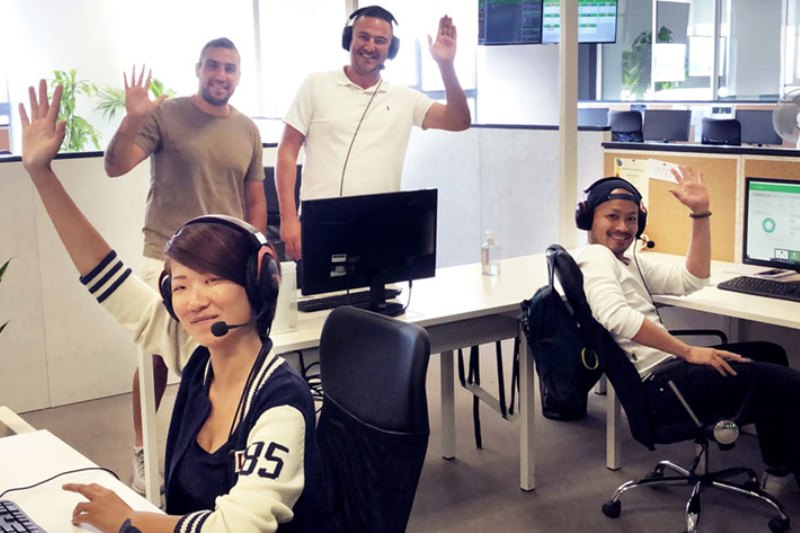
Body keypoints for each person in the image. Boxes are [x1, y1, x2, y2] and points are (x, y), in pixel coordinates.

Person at [19, 80, 329, 532]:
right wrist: (41, 175)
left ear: (257, 283)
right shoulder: (201, 358)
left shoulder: (279, 406)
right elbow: (106, 277)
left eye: (213, 280)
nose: (194, 300)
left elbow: (235, 528)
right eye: (180, 286)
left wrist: (132, 520)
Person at [104, 37, 267, 493]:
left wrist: (255, 253)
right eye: (213, 66)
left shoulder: (248, 129)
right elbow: (115, 166)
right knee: (156, 355)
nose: (221, 75)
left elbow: (255, 200)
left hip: (224, 263)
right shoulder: (166, 114)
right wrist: (132, 119)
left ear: (238, 76)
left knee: (223, 357)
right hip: (166, 257)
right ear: (199, 69)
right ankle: (143, 451)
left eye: (230, 68)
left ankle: (215, 452)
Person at [575, 167, 800, 493]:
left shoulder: (624, 261)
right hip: (664, 387)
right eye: (612, 216)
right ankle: (783, 473)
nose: (623, 227)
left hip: (667, 375)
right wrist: (689, 351)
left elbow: (692, 278)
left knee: (770, 354)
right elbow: (616, 317)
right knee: (791, 386)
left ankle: (778, 468)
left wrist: (700, 213)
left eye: (631, 219)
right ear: (587, 219)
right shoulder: (596, 257)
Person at [276, 5, 471, 259]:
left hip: (380, 226)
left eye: (380, 40)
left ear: (391, 48)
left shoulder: (404, 98)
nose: (370, 46)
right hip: (320, 225)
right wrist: (289, 219)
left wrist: (445, 65)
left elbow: (459, 120)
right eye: (363, 37)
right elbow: (287, 152)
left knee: (382, 287)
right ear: (349, 39)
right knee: (319, 287)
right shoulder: (316, 85)